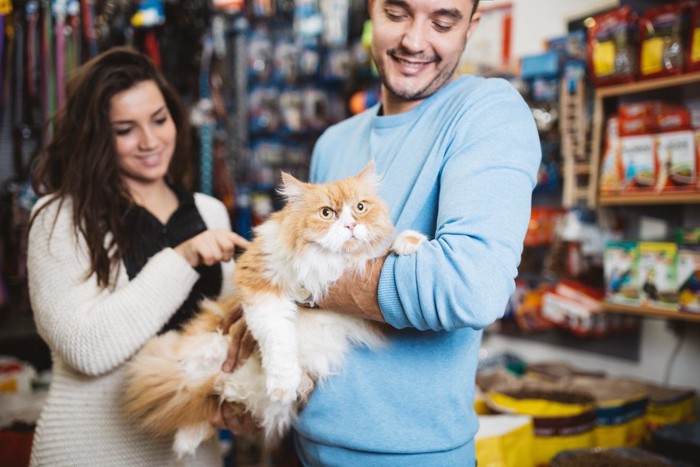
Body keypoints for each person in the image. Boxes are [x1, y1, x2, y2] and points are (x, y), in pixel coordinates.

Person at [292, 0, 541, 464]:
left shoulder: (489, 111)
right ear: (370, 12)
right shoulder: (333, 142)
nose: (414, 40)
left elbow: (470, 287)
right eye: (396, 13)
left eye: (442, 21)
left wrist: (297, 280)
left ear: (471, 26)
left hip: (411, 453)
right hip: (306, 438)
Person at [26, 46, 249, 466]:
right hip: (90, 454)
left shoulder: (208, 212)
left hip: (191, 455)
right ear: (97, 136)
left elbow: (223, 339)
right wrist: (181, 259)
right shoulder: (59, 219)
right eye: (125, 129)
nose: (150, 141)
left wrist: (236, 395)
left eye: (159, 120)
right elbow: (87, 350)